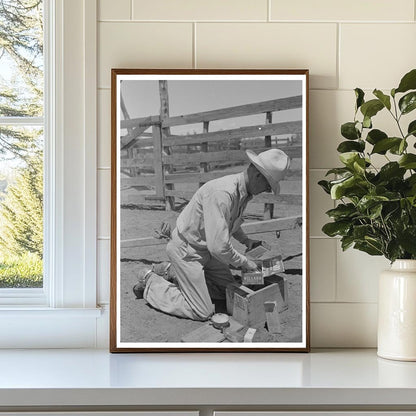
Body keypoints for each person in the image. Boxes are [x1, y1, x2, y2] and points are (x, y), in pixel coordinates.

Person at [133, 148, 290, 321]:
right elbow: (219, 248)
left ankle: (172, 271)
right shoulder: (223, 193)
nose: (267, 190)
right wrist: (246, 264)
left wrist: (246, 241)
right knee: (202, 311)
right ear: (258, 175)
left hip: (205, 249)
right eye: (268, 186)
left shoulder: (242, 193)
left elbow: (229, 223)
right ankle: (150, 283)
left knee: (229, 291)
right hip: (187, 251)